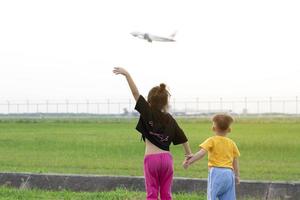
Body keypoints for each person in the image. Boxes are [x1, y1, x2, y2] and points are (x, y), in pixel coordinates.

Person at [113, 67, 192, 200]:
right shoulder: (170, 119)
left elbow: (135, 93)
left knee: (152, 194)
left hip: (151, 160)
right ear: (166, 103)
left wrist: (127, 74)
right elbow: (183, 137)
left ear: (149, 101)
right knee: (166, 194)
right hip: (167, 160)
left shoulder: (147, 112)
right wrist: (188, 154)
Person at [183, 114, 240, 200]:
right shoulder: (232, 143)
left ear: (213, 128)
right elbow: (235, 161)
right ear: (229, 130)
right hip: (229, 173)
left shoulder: (211, 140)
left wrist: (189, 161)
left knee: (211, 196)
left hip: (216, 172)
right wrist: (237, 176)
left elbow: (201, 153)